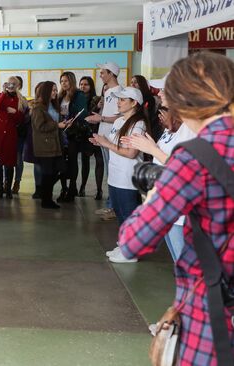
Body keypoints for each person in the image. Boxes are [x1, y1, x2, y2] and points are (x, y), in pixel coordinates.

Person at [118, 52, 234, 366]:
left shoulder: (194, 156)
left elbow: (134, 240)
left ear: (185, 101)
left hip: (213, 316)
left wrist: (158, 190)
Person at [120, 75, 196, 262]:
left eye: (164, 89)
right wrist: (151, 145)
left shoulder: (191, 127)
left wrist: (152, 149)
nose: (159, 92)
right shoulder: (175, 126)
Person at [89, 87, 149, 264]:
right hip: (115, 175)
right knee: (121, 215)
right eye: (118, 99)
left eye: (123, 99)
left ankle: (131, 251)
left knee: (129, 215)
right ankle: (125, 244)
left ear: (134, 103)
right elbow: (114, 144)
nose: (118, 102)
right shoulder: (119, 122)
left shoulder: (138, 124)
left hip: (127, 177)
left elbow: (131, 153)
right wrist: (101, 142)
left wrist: (106, 143)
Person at [86, 62, 123, 220]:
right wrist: (99, 115)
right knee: (110, 171)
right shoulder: (108, 91)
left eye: (102, 73)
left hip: (111, 138)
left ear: (111, 74)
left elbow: (120, 116)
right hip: (103, 136)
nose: (100, 75)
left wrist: (101, 118)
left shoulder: (119, 92)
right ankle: (111, 204)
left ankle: (113, 206)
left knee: (113, 172)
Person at [31, 81, 70, 209]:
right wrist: (57, 125)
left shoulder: (53, 105)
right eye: (53, 90)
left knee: (61, 169)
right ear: (46, 91)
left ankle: (44, 193)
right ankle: (46, 200)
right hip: (45, 146)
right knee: (48, 173)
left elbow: (54, 123)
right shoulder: (38, 107)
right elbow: (39, 126)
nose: (55, 92)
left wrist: (63, 123)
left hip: (55, 144)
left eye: (55, 90)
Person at [0, 76, 24, 199]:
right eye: (9, 83)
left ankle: (8, 189)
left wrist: (15, 113)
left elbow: (21, 119)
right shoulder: (0, 95)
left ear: (18, 85)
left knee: (9, 164)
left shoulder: (20, 99)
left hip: (10, 133)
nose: (11, 85)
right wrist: (4, 92)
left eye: (14, 84)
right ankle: (0, 189)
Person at [58, 71, 89, 202]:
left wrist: (72, 120)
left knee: (72, 160)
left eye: (65, 81)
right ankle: (63, 188)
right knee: (61, 161)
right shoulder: (60, 96)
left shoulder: (79, 95)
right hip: (61, 132)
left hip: (73, 132)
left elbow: (83, 114)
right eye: (61, 81)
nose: (63, 83)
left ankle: (72, 188)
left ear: (71, 81)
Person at [78, 76, 98, 198]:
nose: (83, 87)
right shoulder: (76, 98)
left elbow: (92, 115)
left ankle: (83, 186)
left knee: (86, 161)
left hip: (89, 133)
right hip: (77, 132)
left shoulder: (95, 99)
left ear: (91, 86)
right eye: (81, 84)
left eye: (86, 84)